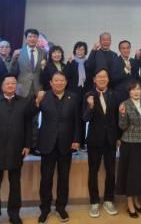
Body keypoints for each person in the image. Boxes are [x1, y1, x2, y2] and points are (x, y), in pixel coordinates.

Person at [0, 76, 35, 224]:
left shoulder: (24, 102)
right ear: (2, 85)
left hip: (16, 148)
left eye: (13, 83)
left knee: (15, 184)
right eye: (8, 83)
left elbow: (28, 125)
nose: (11, 86)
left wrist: (27, 145)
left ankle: (14, 214)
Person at [35, 72, 81, 224]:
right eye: (56, 80)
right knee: (46, 179)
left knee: (64, 178)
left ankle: (61, 208)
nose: (59, 83)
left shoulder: (73, 97)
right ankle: (45, 209)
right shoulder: (44, 96)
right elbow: (31, 115)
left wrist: (76, 139)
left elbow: (77, 120)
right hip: (47, 143)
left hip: (66, 144)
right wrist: (37, 101)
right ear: (51, 82)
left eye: (62, 80)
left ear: (66, 82)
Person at [82, 69, 119, 218]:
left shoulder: (114, 95)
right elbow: (85, 118)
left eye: (104, 77)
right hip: (94, 140)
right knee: (93, 171)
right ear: (94, 79)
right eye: (99, 77)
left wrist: (118, 137)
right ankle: (94, 202)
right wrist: (90, 106)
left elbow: (117, 118)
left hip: (111, 139)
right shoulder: (88, 95)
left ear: (108, 79)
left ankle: (109, 200)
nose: (102, 79)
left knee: (111, 171)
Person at [116, 81, 141, 219]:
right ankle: (130, 203)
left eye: (138, 89)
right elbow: (122, 126)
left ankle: (136, 201)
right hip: (129, 144)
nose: (136, 92)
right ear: (129, 92)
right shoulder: (124, 104)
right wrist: (122, 114)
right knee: (130, 175)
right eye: (133, 89)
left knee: (139, 174)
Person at [9, 28, 46, 98]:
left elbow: (44, 71)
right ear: (26, 39)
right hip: (22, 88)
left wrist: (43, 67)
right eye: (30, 36)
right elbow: (11, 71)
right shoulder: (18, 52)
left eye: (34, 37)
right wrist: (14, 59)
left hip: (38, 88)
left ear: (37, 39)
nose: (32, 39)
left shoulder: (43, 52)